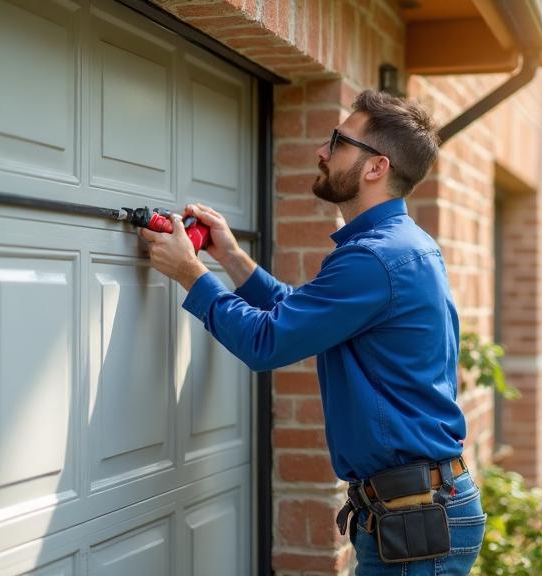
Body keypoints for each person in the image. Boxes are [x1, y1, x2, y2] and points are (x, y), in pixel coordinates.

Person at [139, 90, 485, 575]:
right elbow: (303, 313)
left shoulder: (374, 258)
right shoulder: (397, 247)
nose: (322, 152)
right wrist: (233, 259)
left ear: (375, 167)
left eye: (338, 142)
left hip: (413, 522)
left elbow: (268, 341)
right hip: (412, 511)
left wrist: (190, 274)